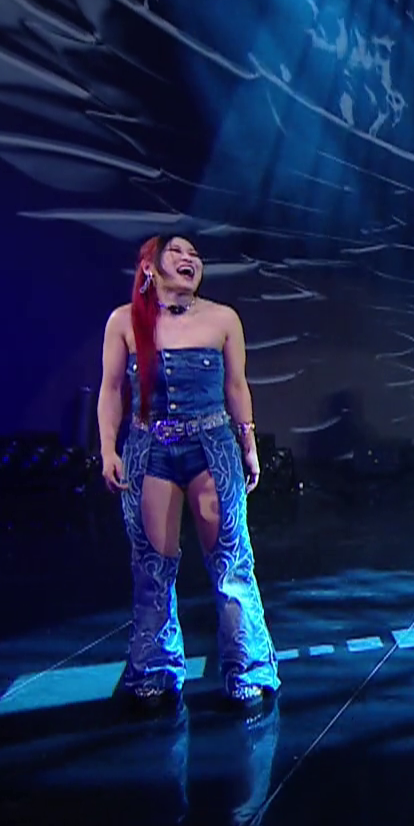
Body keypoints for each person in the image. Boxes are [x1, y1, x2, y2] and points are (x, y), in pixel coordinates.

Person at [98, 235, 280, 707]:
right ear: (149, 267)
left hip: (210, 446)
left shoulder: (223, 319)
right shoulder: (124, 321)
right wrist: (108, 448)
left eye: (195, 255)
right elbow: (111, 389)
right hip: (149, 449)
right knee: (152, 567)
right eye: (177, 252)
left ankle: (248, 667)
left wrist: (249, 445)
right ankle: (155, 668)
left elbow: (236, 386)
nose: (189, 259)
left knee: (230, 564)